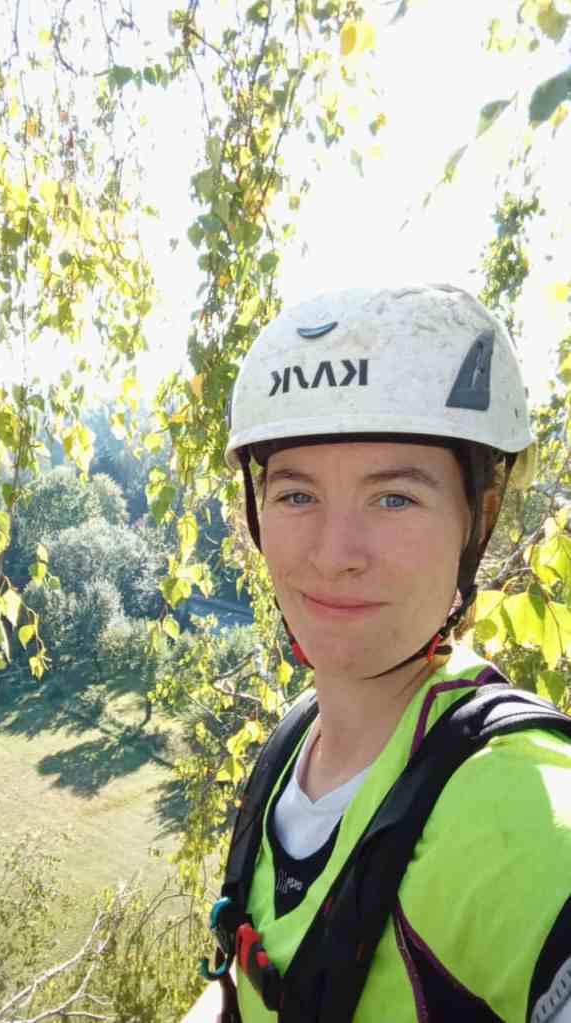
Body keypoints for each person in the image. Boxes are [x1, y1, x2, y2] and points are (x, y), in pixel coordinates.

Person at [185, 284, 571, 1022]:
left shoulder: (528, 820)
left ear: (478, 518)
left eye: (394, 498)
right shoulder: (290, 750)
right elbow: (240, 991)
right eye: (296, 495)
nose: (335, 555)